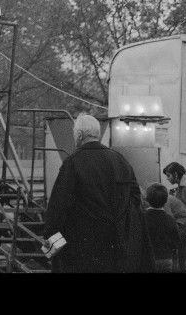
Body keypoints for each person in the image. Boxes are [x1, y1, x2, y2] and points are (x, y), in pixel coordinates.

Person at [44, 113, 152, 273]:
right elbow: (136, 201)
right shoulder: (121, 160)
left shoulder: (73, 163)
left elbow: (58, 207)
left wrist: (51, 244)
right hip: (117, 248)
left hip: (81, 251)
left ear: (79, 135)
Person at [144, 183, 180, 273]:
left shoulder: (143, 218)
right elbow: (176, 240)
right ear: (166, 201)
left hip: (149, 259)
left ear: (147, 200)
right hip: (166, 258)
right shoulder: (170, 219)